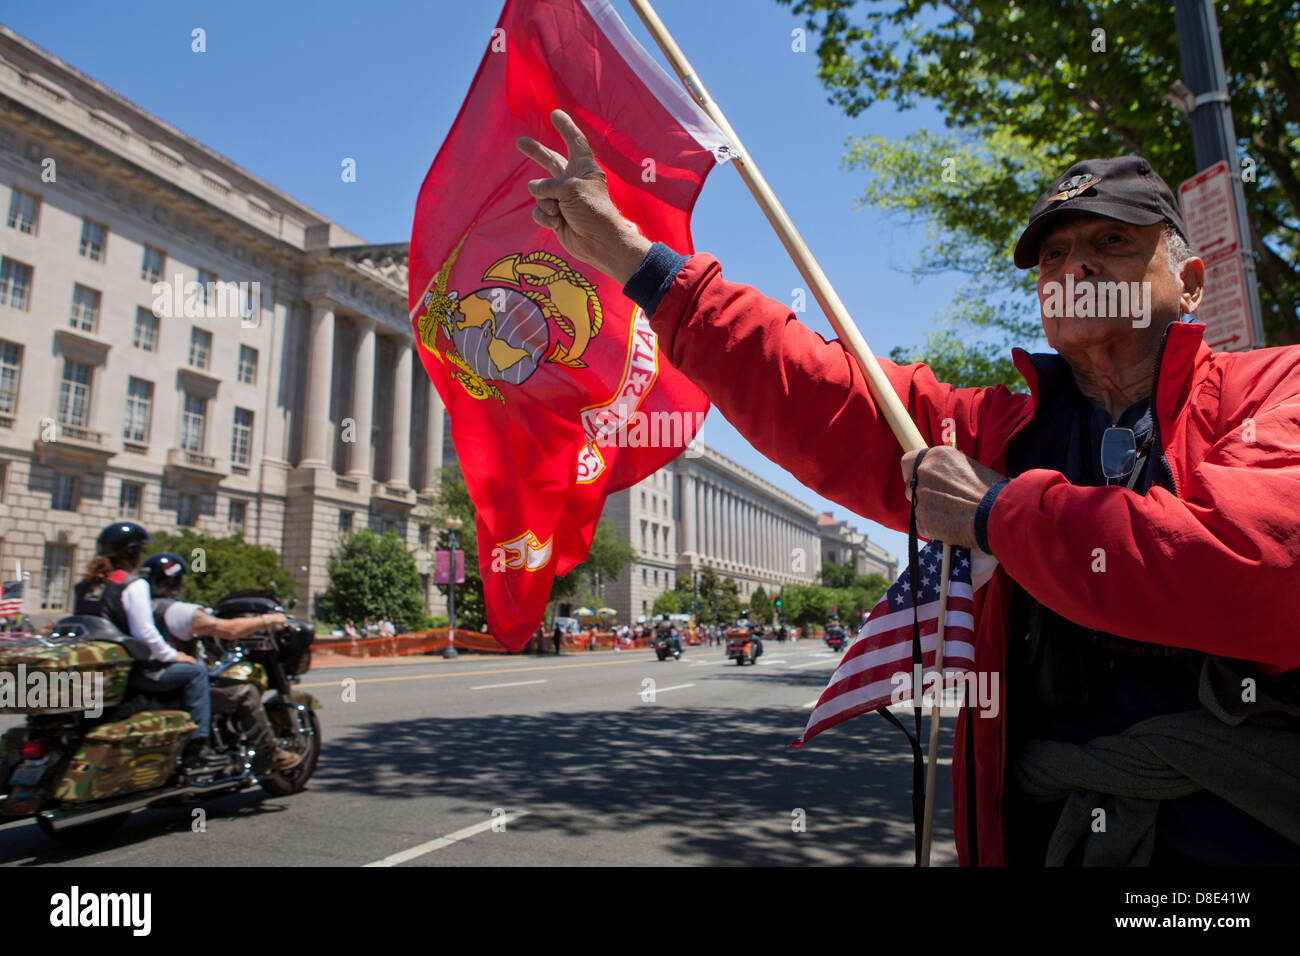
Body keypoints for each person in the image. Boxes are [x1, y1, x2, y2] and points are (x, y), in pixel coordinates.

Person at [517, 114, 1300, 866]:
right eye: (1052, 256)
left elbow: (1254, 570)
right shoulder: (993, 428)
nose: (1075, 269)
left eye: (1112, 243)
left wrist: (997, 514)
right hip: (1042, 834)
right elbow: (817, 388)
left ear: (1190, 282)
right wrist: (634, 260)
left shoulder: (1275, 389)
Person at [74, 523, 223, 768]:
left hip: (96, 670)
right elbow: (145, 632)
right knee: (196, 672)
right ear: (132, 553)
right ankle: (198, 748)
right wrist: (173, 655)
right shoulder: (133, 584)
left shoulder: (86, 586)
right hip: (131, 670)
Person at [140, 553, 302, 775]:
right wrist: (269, 620)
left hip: (147, 685)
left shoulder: (137, 609)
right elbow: (229, 630)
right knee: (245, 692)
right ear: (174, 581)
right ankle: (271, 754)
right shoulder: (177, 611)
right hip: (177, 685)